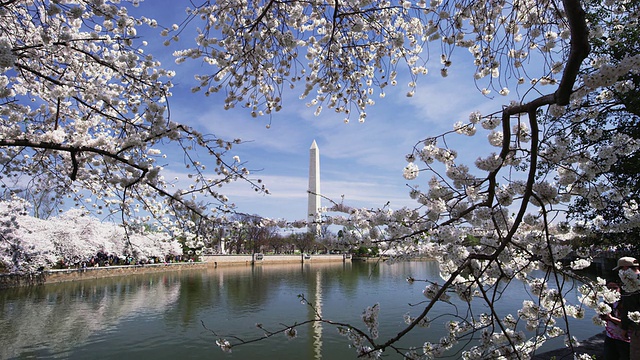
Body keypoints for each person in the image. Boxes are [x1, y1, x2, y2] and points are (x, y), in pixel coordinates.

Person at [615, 256, 640, 360]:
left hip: (638, 327)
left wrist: (624, 328)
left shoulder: (631, 283)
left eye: (620, 270)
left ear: (625, 268)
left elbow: (629, 307)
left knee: (636, 354)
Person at [601, 281, 630, 360]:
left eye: (615, 288)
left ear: (620, 289)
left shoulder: (626, 303)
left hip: (624, 337)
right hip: (610, 336)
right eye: (609, 288)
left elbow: (626, 324)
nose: (612, 290)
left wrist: (610, 318)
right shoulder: (606, 302)